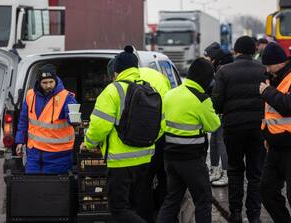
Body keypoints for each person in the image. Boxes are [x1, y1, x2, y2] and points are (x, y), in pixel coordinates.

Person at [80, 45, 164, 223]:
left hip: (120, 163)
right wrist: (146, 143)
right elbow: (160, 125)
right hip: (145, 160)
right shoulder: (149, 89)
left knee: (119, 209)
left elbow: (99, 126)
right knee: (137, 206)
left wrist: (88, 143)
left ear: (116, 72)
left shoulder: (112, 91)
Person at [157, 58, 221, 223]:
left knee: (172, 201)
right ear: (206, 79)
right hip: (192, 160)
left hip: (170, 158)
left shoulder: (170, 94)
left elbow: (162, 124)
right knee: (203, 201)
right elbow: (213, 126)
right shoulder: (201, 99)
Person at [107, 57, 172, 215]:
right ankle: (164, 214)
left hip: (139, 139)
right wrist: (154, 138)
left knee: (143, 185)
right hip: (161, 135)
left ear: (116, 73)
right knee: (164, 178)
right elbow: (168, 102)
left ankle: (142, 215)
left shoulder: (122, 85)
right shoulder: (157, 76)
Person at [212, 36, 266, 223]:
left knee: (235, 170)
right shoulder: (263, 70)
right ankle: (254, 215)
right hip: (258, 128)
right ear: (253, 51)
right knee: (255, 173)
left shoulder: (224, 71)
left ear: (236, 51)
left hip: (233, 128)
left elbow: (217, 104)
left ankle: (235, 213)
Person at [15, 64, 77, 174]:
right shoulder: (30, 95)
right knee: (32, 184)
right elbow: (23, 121)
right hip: (34, 152)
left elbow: (72, 115)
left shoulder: (66, 97)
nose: (48, 85)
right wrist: (20, 141)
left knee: (54, 188)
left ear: (55, 80)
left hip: (58, 154)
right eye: (44, 83)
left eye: (51, 82)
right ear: (39, 82)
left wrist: (73, 118)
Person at [259, 42, 291, 223]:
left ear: (279, 62)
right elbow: (269, 112)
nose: (267, 69)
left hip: (290, 146)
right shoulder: (274, 78)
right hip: (275, 146)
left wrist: (268, 91)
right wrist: (266, 135)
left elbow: (287, 106)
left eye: (268, 65)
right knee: (267, 191)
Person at [204, 42, 234, 187]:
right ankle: (215, 170)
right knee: (214, 141)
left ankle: (226, 173)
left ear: (214, 58)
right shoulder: (219, 68)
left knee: (221, 142)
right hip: (218, 111)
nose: (206, 60)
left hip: (223, 111)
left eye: (208, 57)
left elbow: (218, 93)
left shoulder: (222, 70)